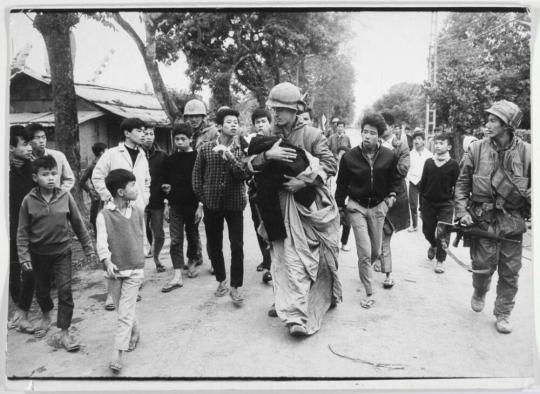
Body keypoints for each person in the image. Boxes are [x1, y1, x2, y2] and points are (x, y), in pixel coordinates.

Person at [247, 82, 341, 337]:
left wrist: (304, 180)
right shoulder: (266, 133)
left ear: (296, 110)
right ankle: (293, 313)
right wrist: (268, 157)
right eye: (274, 109)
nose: (276, 114)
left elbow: (330, 164)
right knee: (282, 256)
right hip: (275, 207)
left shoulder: (311, 134)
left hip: (308, 205)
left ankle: (313, 300)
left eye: (282, 109)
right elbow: (250, 166)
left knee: (310, 258)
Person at [454, 100, 530, 334]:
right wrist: (462, 211)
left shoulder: (528, 153)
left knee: (510, 271)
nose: (487, 124)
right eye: (488, 119)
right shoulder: (476, 149)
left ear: (507, 125)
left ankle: (503, 313)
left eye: (493, 120)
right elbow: (462, 183)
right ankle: (479, 290)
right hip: (482, 219)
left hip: (512, 222)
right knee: (482, 267)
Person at [17, 155, 96, 351]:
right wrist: (24, 256)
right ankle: (46, 316)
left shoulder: (65, 196)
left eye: (54, 173)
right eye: (45, 174)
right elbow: (22, 232)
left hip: (62, 252)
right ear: (35, 177)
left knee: (65, 291)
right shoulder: (28, 201)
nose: (51, 178)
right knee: (42, 291)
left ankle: (64, 331)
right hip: (38, 255)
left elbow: (78, 224)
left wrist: (88, 248)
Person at [335, 113, 401, 308]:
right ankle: (368, 291)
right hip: (356, 207)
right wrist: (339, 207)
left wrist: (392, 196)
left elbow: (395, 179)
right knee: (364, 252)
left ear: (379, 136)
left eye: (372, 133)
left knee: (374, 251)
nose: (367, 136)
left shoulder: (389, 156)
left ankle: (369, 266)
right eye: (365, 132)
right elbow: (341, 184)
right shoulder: (349, 157)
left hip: (378, 207)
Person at [192, 108, 251, 305]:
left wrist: (230, 157)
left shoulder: (241, 149)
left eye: (236, 122)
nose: (234, 125)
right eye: (229, 122)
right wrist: (205, 198)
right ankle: (221, 280)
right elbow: (196, 178)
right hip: (212, 205)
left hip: (235, 204)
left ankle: (235, 286)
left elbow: (244, 175)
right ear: (219, 126)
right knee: (215, 245)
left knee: (237, 246)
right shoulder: (206, 148)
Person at [92, 117, 150, 309]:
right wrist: (108, 197)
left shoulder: (142, 154)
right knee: (112, 248)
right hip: (114, 208)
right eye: (138, 130)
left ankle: (131, 290)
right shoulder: (111, 153)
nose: (143, 134)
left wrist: (145, 198)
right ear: (126, 133)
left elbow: (146, 180)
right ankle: (112, 294)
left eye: (144, 130)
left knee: (133, 245)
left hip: (135, 208)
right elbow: (97, 176)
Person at [96, 169, 145, 373]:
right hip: (114, 271)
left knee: (124, 313)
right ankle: (135, 331)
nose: (136, 188)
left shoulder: (138, 211)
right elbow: (101, 242)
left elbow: (140, 234)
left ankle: (117, 354)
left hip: (134, 269)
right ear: (121, 192)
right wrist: (107, 262)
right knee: (122, 310)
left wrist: (142, 255)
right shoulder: (104, 215)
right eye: (132, 185)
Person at [161, 124, 202, 292]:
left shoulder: (198, 158)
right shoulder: (170, 160)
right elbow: (165, 183)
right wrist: (166, 204)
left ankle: (192, 261)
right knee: (176, 239)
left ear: (190, 139)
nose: (179, 142)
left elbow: (202, 183)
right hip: (175, 205)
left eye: (183, 139)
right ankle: (177, 273)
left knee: (192, 235)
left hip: (193, 204)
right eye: (176, 139)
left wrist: (201, 206)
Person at [372, 116, 411, 290]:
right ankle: (377, 259)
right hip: (373, 196)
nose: (386, 129)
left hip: (392, 198)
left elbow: (402, 170)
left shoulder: (401, 146)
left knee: (385, 235)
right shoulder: (372, 145)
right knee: (374, 235)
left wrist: (387, 159)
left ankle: (388, 274)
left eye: (388, 126)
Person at [418, 133, 460, 274]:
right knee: (427, 231)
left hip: (445, 205)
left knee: (443, 233)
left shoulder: (453, 165)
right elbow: (422, 184)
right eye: (436, 143)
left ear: (449, 146)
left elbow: (458, 186)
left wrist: (453, 202)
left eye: (441, 143)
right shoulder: (429, 162)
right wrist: (420, 205)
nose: (437, 145)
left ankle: (440, 261)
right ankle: (433, 244)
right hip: (428, 203)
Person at [9, 125, 36, 333]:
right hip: (8, 228)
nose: (30, 148)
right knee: (12, 269)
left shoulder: (34, 168)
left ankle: (23, 310)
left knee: (30, 269)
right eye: (25, 144)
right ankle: (18, 311)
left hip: (32, 228)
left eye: (30, 143)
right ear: (11, 147)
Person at [248, 109, 273, 283]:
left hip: (271, 190)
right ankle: (266, 260)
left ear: (269, 123)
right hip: (254, 190)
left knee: (271, 226)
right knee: (258, 226)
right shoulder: (250, 141)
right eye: (257, 122)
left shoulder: (276, 139)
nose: (261, 124)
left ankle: (272, 264)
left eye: (264, 121)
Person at [141, 127, 167, 272]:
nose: (148, 137)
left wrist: (166, 200)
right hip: (140, 202)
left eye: (151, 134)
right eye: (145, 134)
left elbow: (168, 177)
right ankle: (140, 266)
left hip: (157, 201)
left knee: (159, 233)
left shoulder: (162, 155)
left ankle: (156, 258)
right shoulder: (135, 155)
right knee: (141, 234)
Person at [26, 123, 75, 191]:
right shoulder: (26, 159)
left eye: (43, 137)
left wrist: (60, 194)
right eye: (37, 138)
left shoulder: (58, 156)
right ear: (29, 141)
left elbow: (69, 179)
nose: (41, 141)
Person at [79, 142, 108, 235]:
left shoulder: (108, 164)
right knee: (96, 220)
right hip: (97, 198)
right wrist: (90, 192)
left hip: (108, 196)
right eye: (106, 150)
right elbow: (81, 182)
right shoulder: (92, 166)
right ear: (101, 152)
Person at [407, 130, 433, 232]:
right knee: (413, 204)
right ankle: (414, 225)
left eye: (419, 139)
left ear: (423, 141)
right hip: (413, 182)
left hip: (425, 183)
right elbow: (407, 169)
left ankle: (427, 225)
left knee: (425, 205)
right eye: (415, 139)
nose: (416, 141)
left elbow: (432, 169)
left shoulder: (429, 155)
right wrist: (410, 178)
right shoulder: (410, 154)